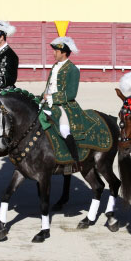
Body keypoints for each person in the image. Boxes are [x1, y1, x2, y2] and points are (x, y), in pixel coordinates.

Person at [41, 36, 83, 171]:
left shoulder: (73, 70)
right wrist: (42, 97)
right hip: (49, 102)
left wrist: (51, 97)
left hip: (64, 106)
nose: (54, 53)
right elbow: (49, 86)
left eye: (56, 51)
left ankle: (74, 160)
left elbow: (71, 94)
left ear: (64, 52)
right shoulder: (55, 66)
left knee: (64, 131)